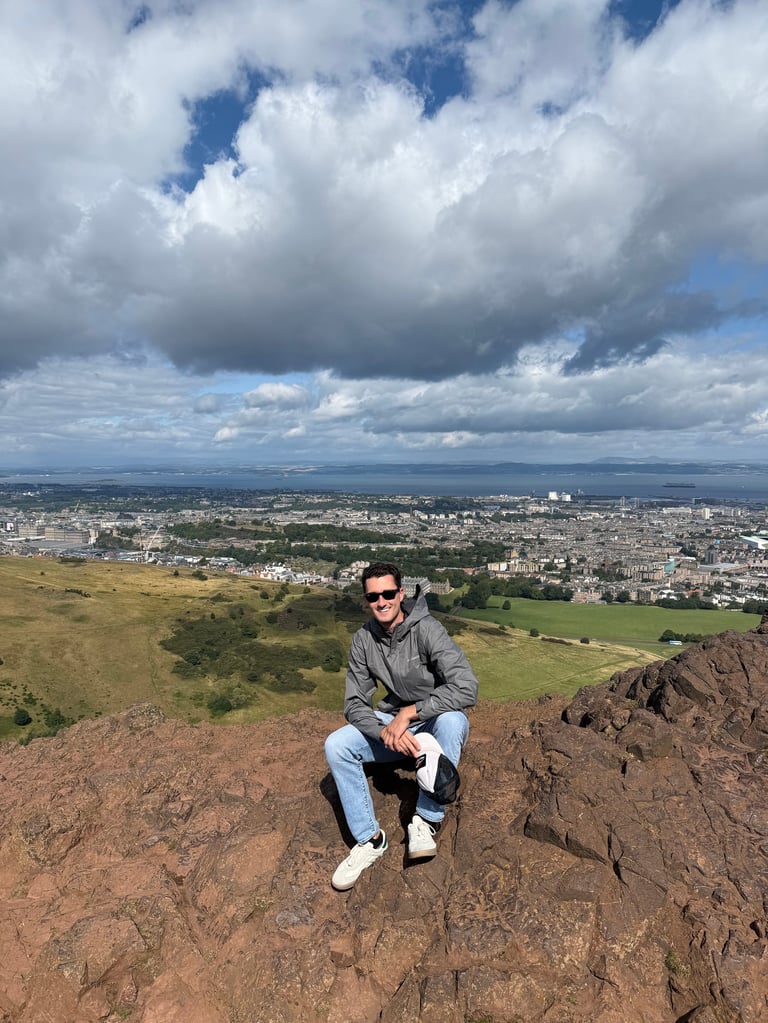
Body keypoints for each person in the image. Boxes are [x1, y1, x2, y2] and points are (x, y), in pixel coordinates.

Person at [325, 562, 479, 890]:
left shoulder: (427, 629)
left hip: (434, 720)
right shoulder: (363, 640)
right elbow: (354, 704)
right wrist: (384, 731)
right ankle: (370, 839)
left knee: (453, 722)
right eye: (373, 596)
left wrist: (409, 713)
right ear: (366, 599)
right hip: (394, 728)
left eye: (388, 593)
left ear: (401, 593)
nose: (381, 601)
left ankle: (425, 819)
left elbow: (467, 687)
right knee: (336, 745)